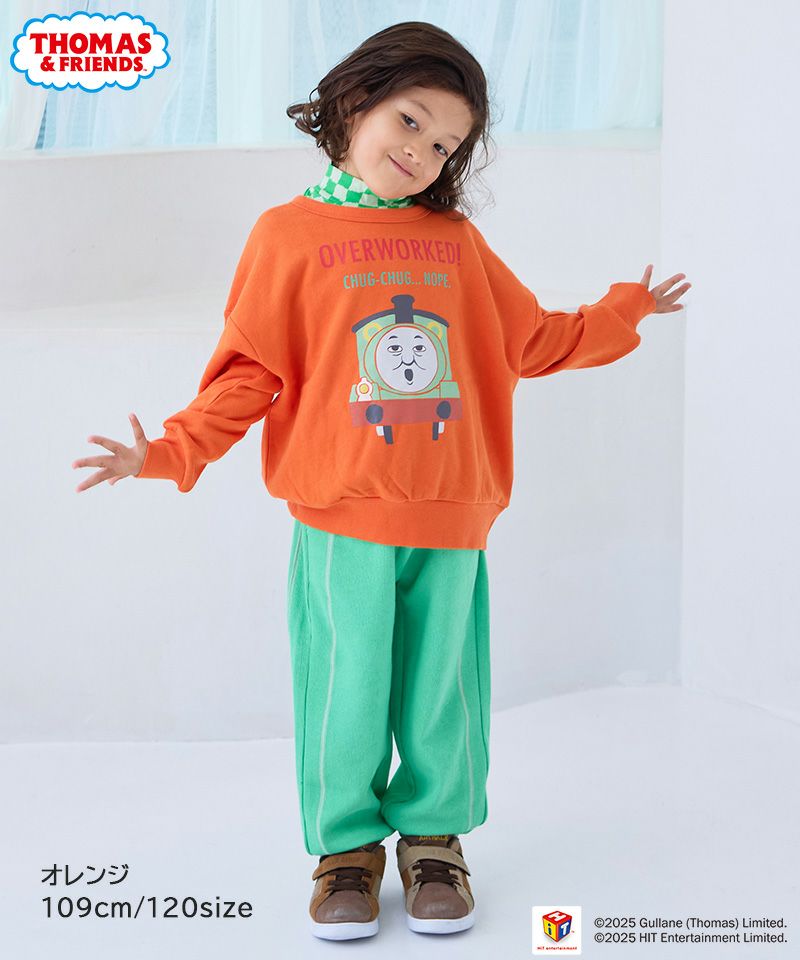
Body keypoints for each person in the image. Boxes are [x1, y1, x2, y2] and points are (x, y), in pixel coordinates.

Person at [71, 20, 690, 943]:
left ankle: (434, 839)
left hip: (453, 510)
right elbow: (249, 374)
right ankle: (346, 851)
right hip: (340, 513)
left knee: (441, 688)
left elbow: (530, 340)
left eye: (445, 144)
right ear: (356, 102)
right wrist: (165, 451)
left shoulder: (455, 241)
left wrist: (623, 309)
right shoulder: (286, 236)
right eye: (411, 121)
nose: (422, 152)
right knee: (344, 687)